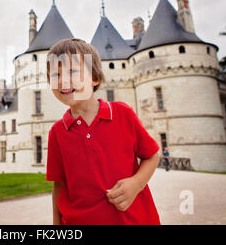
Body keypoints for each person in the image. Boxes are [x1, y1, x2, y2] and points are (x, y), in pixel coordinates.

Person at [45, 38, 161, 225]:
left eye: (72, 71)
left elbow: (152, 156)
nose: (63, 80)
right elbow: (59, 185)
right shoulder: (57, 133)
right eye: (55, 75)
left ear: (95, 78)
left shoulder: (123, 114)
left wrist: (137, 183)